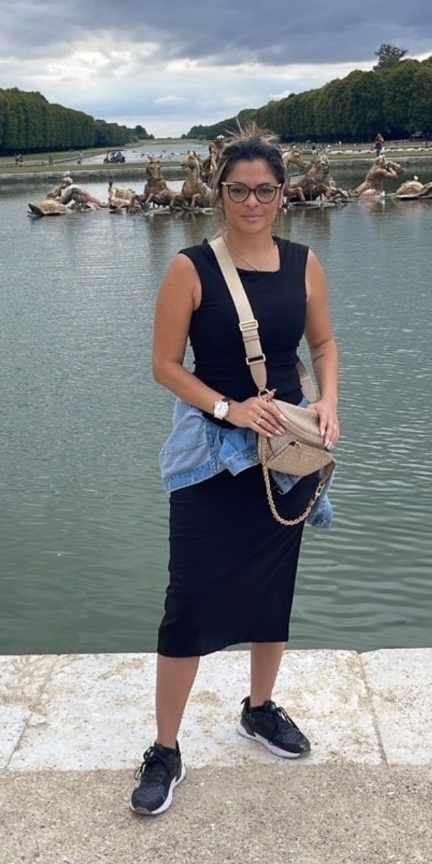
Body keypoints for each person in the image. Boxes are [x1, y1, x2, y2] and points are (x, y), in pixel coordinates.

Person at [130, 127, 340, 816]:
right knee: (187, 603)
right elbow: (164, 366)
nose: (252, 202)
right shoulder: (190, 268)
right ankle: (165, 748)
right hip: (210, 455)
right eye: (239, 190)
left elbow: (323, 344)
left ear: (283, 195)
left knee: (272, 590)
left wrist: (328, 402)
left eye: (265, 190)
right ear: (219, 193)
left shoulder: (303, 263)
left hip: (284, 456)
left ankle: (258, 708)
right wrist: (229, 408)